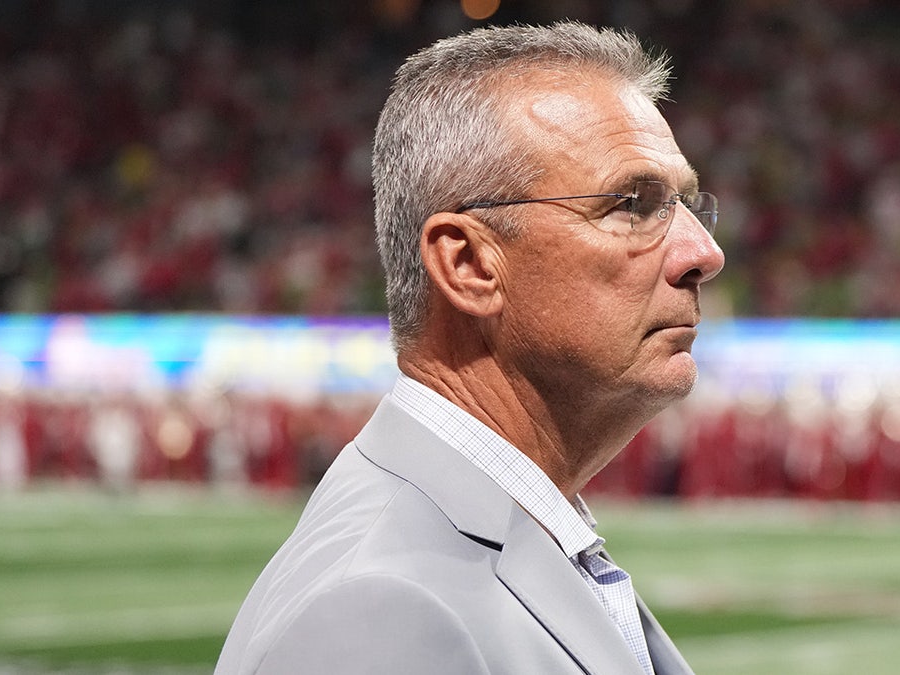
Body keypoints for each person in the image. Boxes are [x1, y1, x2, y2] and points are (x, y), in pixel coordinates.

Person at [216, 21, 725, 674]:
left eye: (685, 204)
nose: (703, 253)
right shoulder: (379, 611)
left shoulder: (493, 542)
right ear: (469, 265)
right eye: (634, 204)